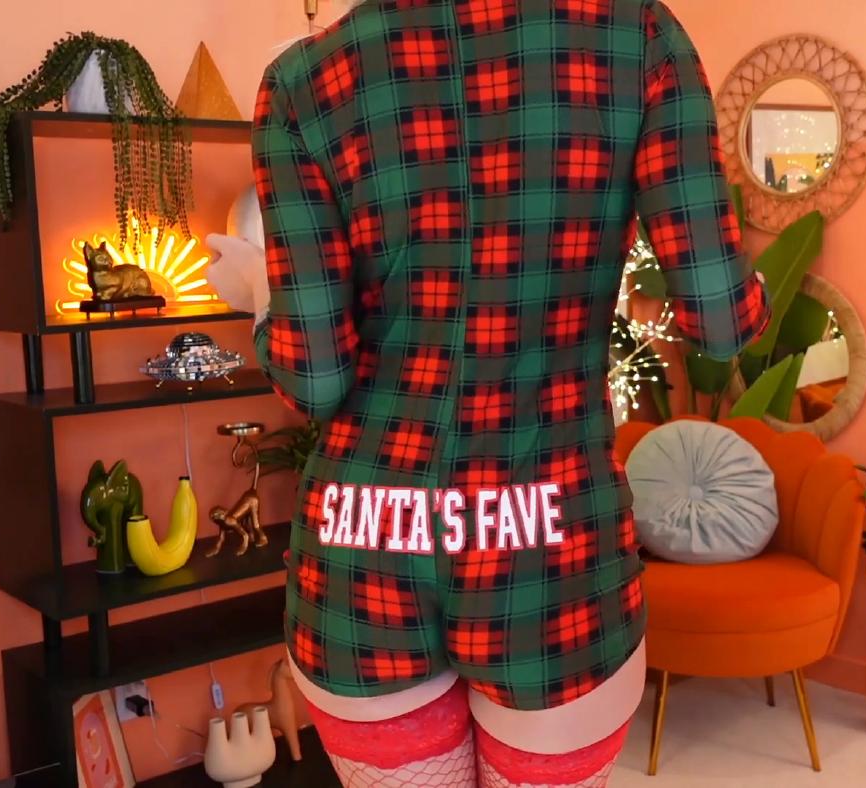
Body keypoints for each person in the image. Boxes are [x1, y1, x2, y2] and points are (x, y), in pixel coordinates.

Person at [207, 0, 769, 784]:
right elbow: (721, 319)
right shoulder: (638, 36)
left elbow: (315, 378)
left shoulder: (303, 77)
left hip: (367, 541)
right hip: (552, 540)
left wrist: (260, 296)